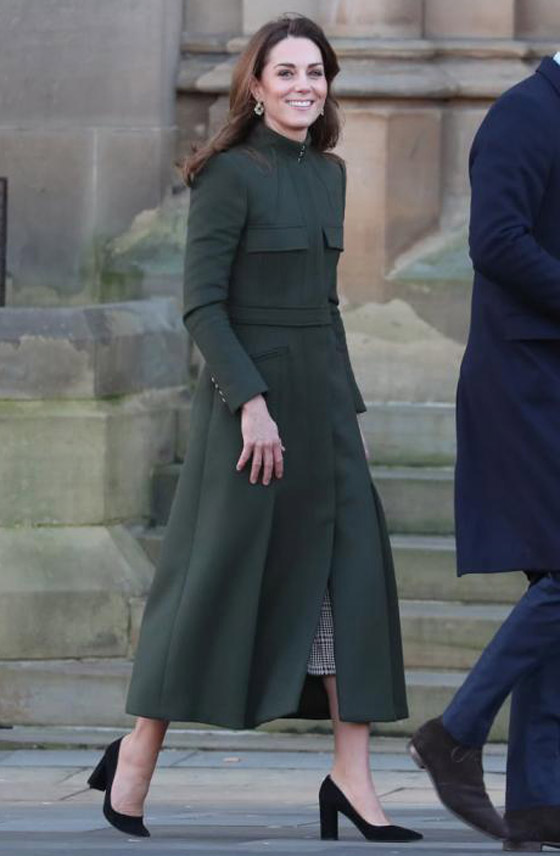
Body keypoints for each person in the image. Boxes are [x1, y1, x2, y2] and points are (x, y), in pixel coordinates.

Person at [87, 14, 421, 845]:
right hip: (248, 415)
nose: (305, 85)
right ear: (257, 86)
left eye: (316, 72)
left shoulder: (331, 174)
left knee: (354, 582)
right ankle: (136, 755)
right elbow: (203, 305)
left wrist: (349, 412)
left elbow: (326, 309)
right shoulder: (228, 177)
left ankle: (352, 778)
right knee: (211, 585)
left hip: (324, 410)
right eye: (288, 72)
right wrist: (252, 403)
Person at [409, 53, 560, 852]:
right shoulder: (524, 114)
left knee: (553, 580)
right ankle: (454, 734)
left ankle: (538, 805)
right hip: (522, 382)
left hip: (551, 379)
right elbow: (496, 242)